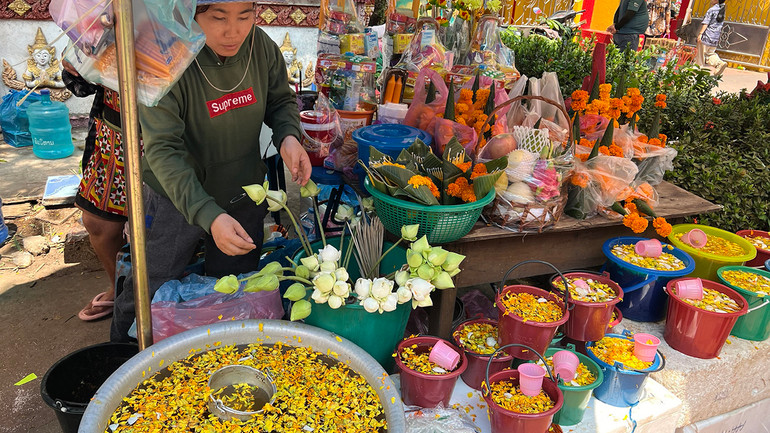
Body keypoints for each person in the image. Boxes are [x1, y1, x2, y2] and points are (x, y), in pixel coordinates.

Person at [110, 0, 311, 342]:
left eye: (244, 16)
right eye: (218, 17)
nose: (233, 31)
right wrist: (207, 213)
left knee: (233, 285)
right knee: (149, 286)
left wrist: (288, 137)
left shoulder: (259, 46)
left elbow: (280, 100)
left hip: (243, 191)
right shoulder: (164, 56)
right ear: (191, 12)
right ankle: (121, 360)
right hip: (177, 196)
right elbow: (163, 149)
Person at [62, 62, 131, 321]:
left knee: (165, 227)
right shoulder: (104, 24)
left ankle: (163, 297)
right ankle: (120, 289)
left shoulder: (190, 25)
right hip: (113, 138)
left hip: (170, 136)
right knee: (99, 223)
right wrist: (79, 66)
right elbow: (79, 86)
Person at [697, 0, 727, 76]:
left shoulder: (712, 10)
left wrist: (700, 34)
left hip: (707, 36)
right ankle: (719, 63)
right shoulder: (722, 10)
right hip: (715, 38)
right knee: (709, 54)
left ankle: (697, 72)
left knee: (700, 57)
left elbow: (706, 23)